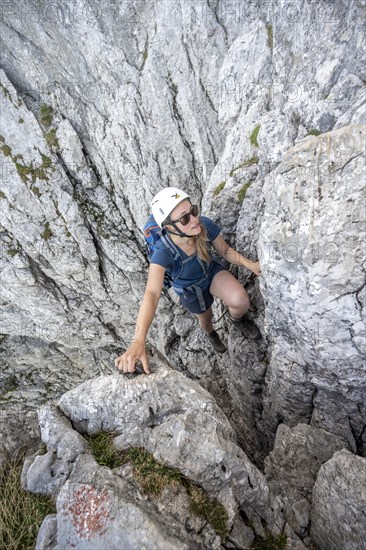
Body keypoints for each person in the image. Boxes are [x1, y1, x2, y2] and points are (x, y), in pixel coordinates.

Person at [115, 187, 261, 374]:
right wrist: (137, 340)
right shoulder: (163, 253)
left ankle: (237, 320)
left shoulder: (203, 226)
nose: (194, 219)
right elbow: (151, 294)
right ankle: (210, 333)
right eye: (185, 218)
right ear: (169, 228)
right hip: (191, 292)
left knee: (240, 300)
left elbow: (224, 251)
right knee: (206, 320)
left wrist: (251, 265)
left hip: (211, 273)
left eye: (193, 211)